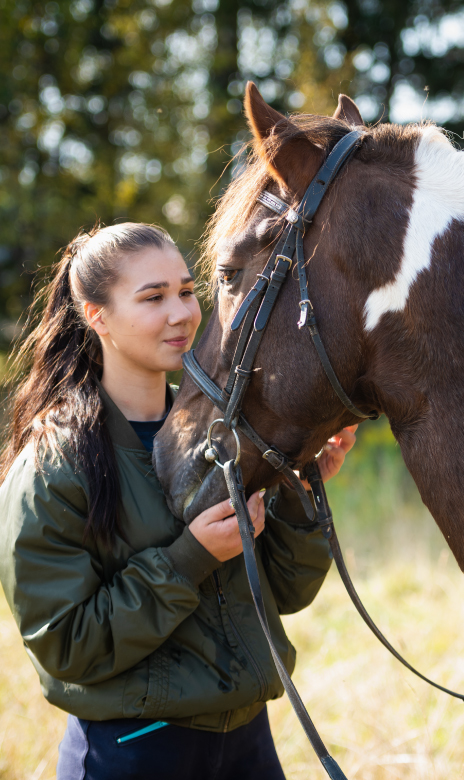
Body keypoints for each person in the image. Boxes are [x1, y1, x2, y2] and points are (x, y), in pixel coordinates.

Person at [0, 222, 357, 780]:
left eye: (188, 292)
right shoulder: (54, 465)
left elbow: (285, 592)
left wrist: (300, 490)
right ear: (96, 315)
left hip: (247, 745)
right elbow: (67, 647)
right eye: (153, 297)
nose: (182, 313)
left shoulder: (227, 437)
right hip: (135, 752)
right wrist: (190, 558)